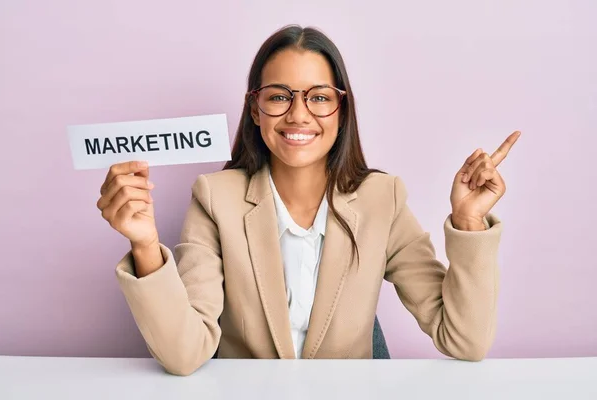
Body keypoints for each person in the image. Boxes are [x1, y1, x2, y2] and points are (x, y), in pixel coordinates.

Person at [96, 25, 520, 376]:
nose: (298, 114)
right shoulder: (214, 197)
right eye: (279, 96)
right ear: (256, 110)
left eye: (318, 97)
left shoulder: (382, 199)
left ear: (341, 109)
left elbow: (464, 340)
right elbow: (185, 354)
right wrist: (145, 245)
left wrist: (468, 223)